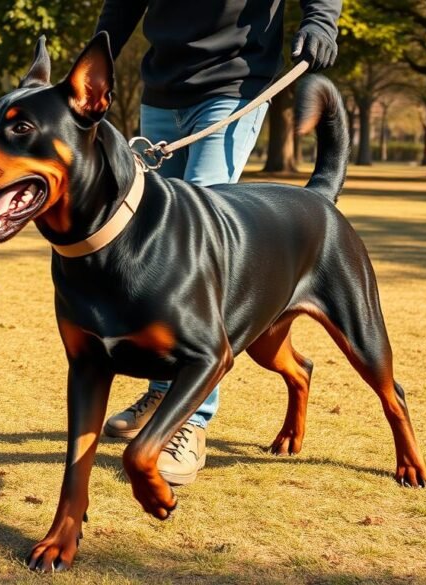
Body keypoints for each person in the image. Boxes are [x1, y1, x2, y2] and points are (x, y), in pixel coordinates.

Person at [96, 0, 341, 486]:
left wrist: (321, 21)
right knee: (154, 245)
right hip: (162, 87)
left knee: (196, 245)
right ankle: (164, 387)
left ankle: (192, 420)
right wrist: (97, 56)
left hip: (235, 81)